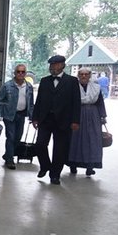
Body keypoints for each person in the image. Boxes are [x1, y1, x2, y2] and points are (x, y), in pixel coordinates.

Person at [32, 55, 81, 185]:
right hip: (45, 119)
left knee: (60, 149)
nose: (52, 67)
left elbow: (76, 102)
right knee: (40, 144)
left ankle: (55, 175)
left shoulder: (72, 81)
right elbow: (39, 100)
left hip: (64, 120)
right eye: (51, 65)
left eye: (55, 65)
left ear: (62, 65)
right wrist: (35, 118)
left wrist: (76, 121)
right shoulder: (44, 81)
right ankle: (45, 165)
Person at [68, 68, 107, 176]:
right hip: (77, 114)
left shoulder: (96, 87)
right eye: (81, 74)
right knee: (75, 139)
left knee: (92, 140)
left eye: (86, 74)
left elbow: (100, 102)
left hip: (93, 116)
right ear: (78, 76)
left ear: (89, 75)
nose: (84, 76)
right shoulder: (73, 87)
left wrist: (102, 116)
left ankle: (90, 166)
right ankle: (73, 164)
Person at [0, 63, 34, 170]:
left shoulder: (29, 87)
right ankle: (10, 160)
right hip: (9, 115)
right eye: (18, 71)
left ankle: (8, 154)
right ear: (14, 73)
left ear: (25, 73)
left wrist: (32, 117)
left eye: (23, 72)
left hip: (22, 115)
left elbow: (31, 103)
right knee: (11, 137)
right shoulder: (7, 86)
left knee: (18, 137)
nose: (20, 73)